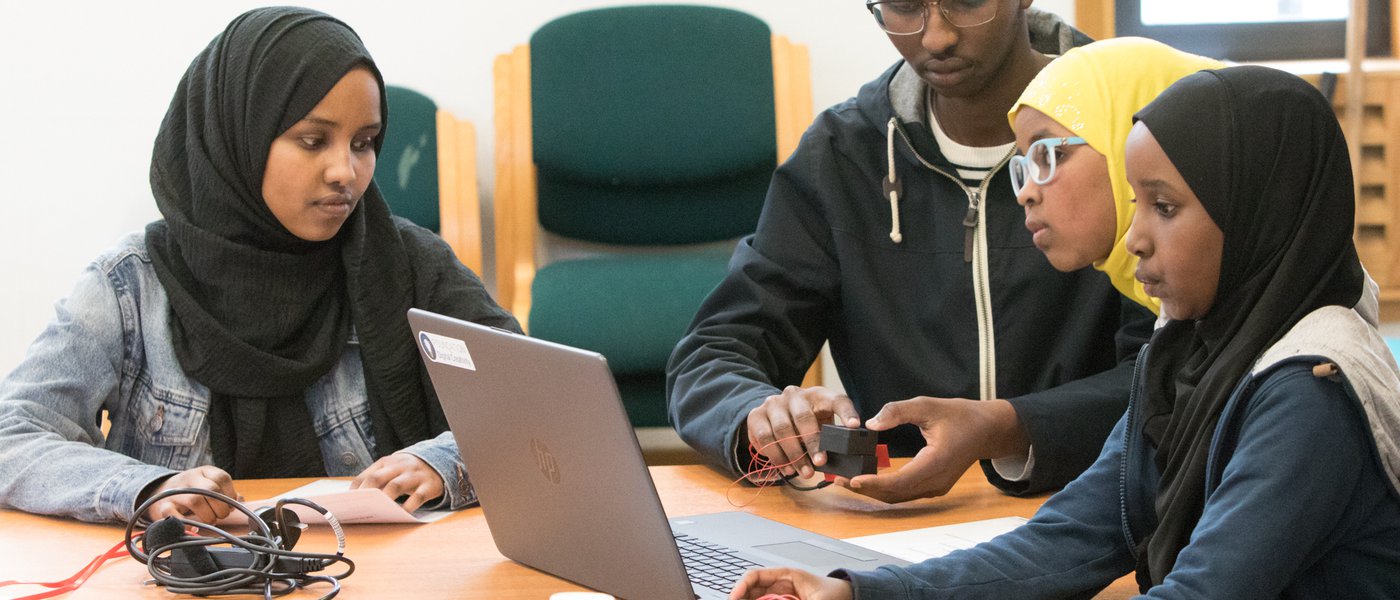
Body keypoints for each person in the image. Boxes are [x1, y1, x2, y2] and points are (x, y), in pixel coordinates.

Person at [730, 65, 1400, 599]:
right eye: (1137, 203)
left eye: (1165, 208)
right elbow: (1070, 538)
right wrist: (861, 594)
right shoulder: (1187, 352)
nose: (1134, 238)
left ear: (1260, 213)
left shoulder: (1310, 392)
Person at [0, 7, 519, 524]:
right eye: (313, 141)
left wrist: (444, 462)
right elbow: (13, 436)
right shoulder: (130, 286)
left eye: (364, 143)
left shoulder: (408, 265)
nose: (346, 172)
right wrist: (146, 488)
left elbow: (536, 408)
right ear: (238, 136)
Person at [667, 0, 1155, 503]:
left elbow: (1176, 370)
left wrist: (1007, 427)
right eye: (903, 6)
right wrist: (759, 412)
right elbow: (714, 352)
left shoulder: (1133, 131)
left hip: (1105, 496)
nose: (936, 37)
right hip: (898, 518)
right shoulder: (841, 156)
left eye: (966, 2)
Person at [1008, 37, 1222, 312]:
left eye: (1052, 156)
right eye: (1024, 166)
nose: (1025, 193)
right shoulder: (1159, 309)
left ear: (1129, 141)